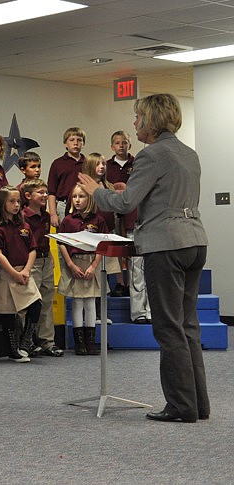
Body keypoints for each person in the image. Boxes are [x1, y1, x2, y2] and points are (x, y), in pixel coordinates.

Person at [78, 93, 209, 423]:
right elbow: (164, 195)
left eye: (138, 117)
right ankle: (198, 404)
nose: (134, 122)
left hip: (165, 245)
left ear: (151, 120)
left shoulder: (151, 155)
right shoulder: (188, 153)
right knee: (188, 325)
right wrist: (129, 191)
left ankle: (181, 406)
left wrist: (97, 191)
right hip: (194, 240)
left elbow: (124, 205)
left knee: (168, 329)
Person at [0, 185, 41, 363]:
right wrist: (13, 272)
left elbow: (32, 249)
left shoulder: (24, 226)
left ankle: (26, 341)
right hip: (7, 273)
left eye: (18, 201)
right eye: (12, 201)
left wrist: (25, 270)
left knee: (36, 304)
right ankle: (13, 349)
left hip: (24, 271)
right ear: (2, 203)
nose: (16, 205)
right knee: (9, 314)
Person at [106, 130, 151, 322]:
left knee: (145, 270)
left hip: (143, 221)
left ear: (130, 145)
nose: (121, 146)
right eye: (117, 143)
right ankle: (139, 312)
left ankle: (149, 311)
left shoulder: (139, 163)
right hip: (122, 219)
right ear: (112, 146)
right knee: (134, 269)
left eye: (125, 142)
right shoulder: (107, 166)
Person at [58, 184, 105, 355]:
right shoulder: (68, 220)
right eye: (75, 197)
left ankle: (91, 341)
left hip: (92, 263)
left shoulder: (98, 220)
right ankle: (79, 343)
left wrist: (94, 266)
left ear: (90, 199)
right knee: (77, 302)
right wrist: (70, 265)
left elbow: (102, 245)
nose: (77, 200)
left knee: (91, 302)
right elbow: (61, 243)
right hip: (75, 262)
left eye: (82, 197)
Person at [20, 179, 63, 357]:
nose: (45, 195)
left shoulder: (46, 217)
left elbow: (46, 239)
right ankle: (25, 341)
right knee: (30, 302)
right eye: (40, 192)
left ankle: (47, 341)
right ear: (28, 196)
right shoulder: (22, 216)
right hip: (32, 262)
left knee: (46, 302)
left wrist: (51, 255)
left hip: (46, 261)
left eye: (46, 192)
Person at [47, 127, 86, 228]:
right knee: (63, 238)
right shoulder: (57, 163)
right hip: (63, 205)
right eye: (72, 140)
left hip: (84, 204)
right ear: (65, 144)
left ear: (83, 144)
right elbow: (51, 192)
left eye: (79, 140)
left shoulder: (88, 163)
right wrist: (53, 214)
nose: (76, 143)